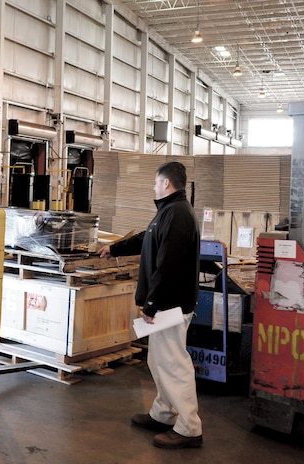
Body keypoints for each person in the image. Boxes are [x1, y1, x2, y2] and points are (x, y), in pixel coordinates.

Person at [98, 161, 202, 449]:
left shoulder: (178, 215)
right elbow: (148, 239)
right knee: (158, 362)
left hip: (170, 305)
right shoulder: (168, 212)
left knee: (173, 365)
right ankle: (163, 413)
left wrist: (151, 304)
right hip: (165, 304)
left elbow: (169, 266)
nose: (153, 187)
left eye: (156, 182)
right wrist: (115, 248)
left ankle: (189, 428)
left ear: (167, 184)